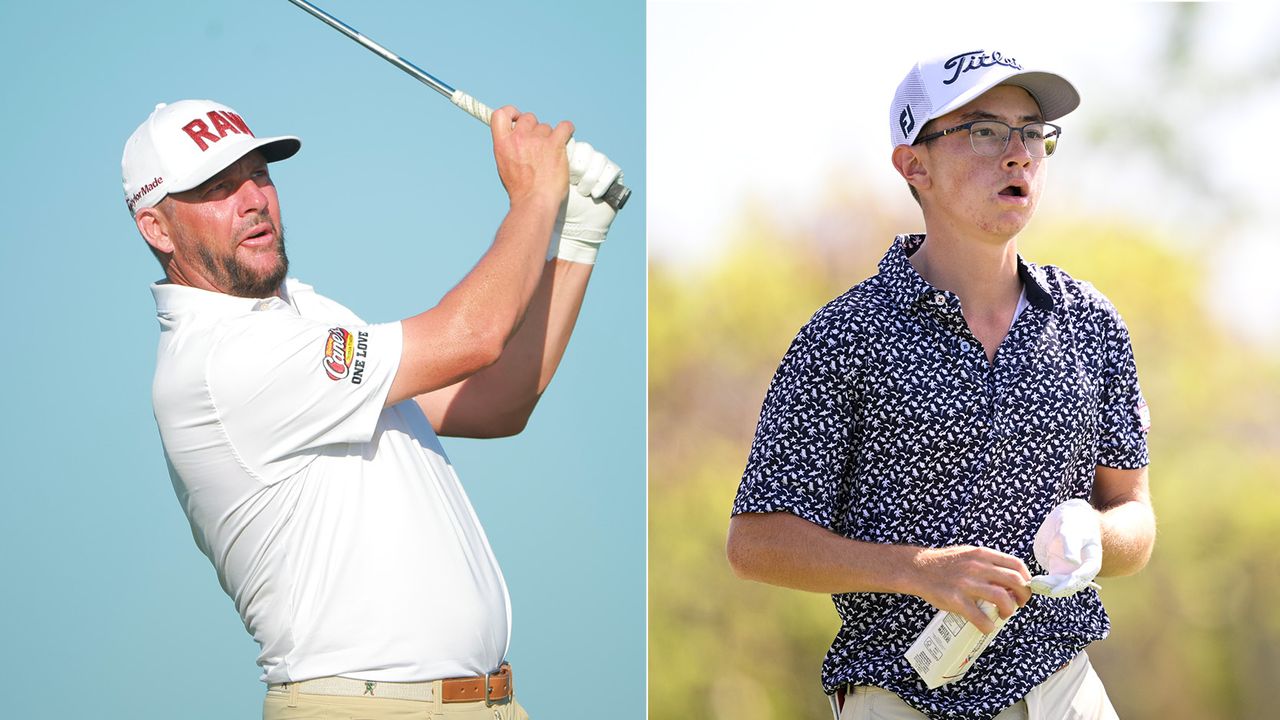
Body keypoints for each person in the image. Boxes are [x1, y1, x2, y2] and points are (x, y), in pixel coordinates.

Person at [122, 98, 622, 719]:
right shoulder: (220, 358)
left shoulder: (305, 317)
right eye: (219, 188)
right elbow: (473, 337)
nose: (253, 199)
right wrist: (534, 199)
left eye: (260, 175)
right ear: (158, 229)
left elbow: (497, 401)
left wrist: (575, 235)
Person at [726, 49, 1156, 720]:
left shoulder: (1090, 323)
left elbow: (1135, 514)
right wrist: (918, 570)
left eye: (1033, 132)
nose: (1018, 154)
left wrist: (1095, 537)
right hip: (900, 697)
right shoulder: (844, 334)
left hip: (1064, 688)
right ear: (913, 164)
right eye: (984, 130)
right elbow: (757, 542)